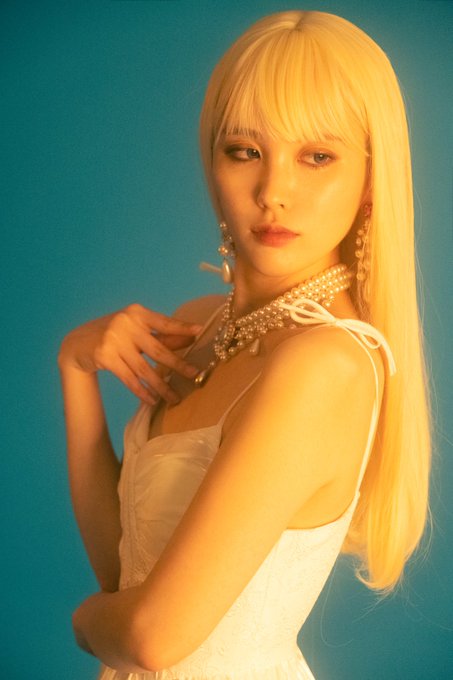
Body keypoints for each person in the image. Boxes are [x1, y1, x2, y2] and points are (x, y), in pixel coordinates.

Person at [58, 10, 431, 679]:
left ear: (371, 178)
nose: (273, 192)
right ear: (212, 162)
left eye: (318, 156)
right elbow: (125, 574)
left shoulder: (324, 364)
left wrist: (83, 622)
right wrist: (75, 370)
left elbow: (148, 637)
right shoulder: (200, 326)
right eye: (245, 151)